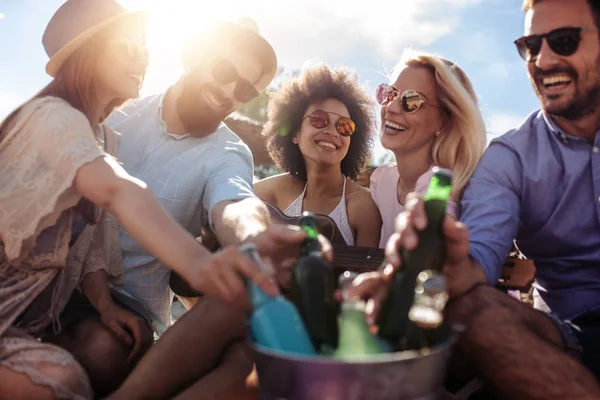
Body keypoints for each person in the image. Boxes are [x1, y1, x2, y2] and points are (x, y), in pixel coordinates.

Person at [0, 2, 308, 398]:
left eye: (247, 89)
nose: (232, 92)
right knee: (65, 379)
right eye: (224, 72)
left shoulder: (215, 150)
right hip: (35, 300)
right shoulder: (73, 119)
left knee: (95, 359)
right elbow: (117, 191)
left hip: (105, 302)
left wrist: (251, 236)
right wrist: (201, 266)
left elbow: (235, 202)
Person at [347, 0, 600, 398]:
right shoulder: (507, 160)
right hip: (571, 334)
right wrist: (429, 266)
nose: (543, 59)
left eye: (563, 41)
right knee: (468, 312)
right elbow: (478, 257)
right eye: (531, 46)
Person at [255, 64, 382, 248]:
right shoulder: (274, 190)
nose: (332, 131)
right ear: (294, 133)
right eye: (319, 120)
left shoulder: (362, 206)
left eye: (344, 126)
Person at [370, 50, 486, 247]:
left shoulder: (442, 186)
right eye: (390, 93)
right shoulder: (382, 181)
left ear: (444, 120)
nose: (391, 108)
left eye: (411, 101)